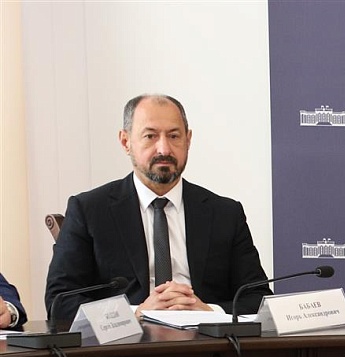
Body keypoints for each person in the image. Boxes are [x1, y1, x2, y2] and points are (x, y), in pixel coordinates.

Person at [45, 94, 267, 324]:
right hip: (128, 342)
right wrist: (135, 313)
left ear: (188, 140)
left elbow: (258, 298)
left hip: (207, 340)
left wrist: (208, 311)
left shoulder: (225, 214)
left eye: (174, 136)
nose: (164, 149)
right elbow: (59, 302)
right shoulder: (90, 210)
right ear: (126, 142)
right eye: (150, 136)